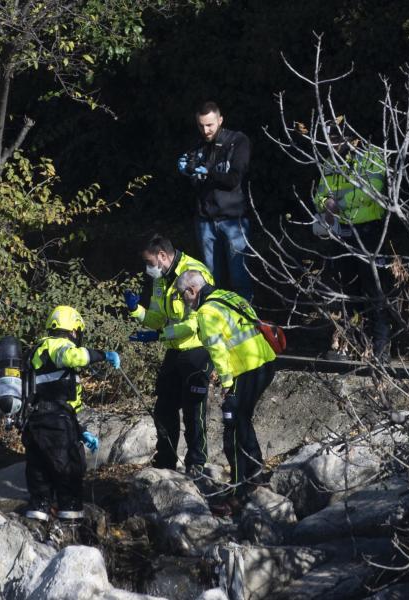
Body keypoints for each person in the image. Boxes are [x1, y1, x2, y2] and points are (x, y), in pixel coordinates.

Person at [175, 270, 276, 513]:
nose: (183, 301)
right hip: (266, 362)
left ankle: (238, 493)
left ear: (192, 291)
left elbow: (218, 351)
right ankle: (255, 473)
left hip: (246, 369)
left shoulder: (206, 313)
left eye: (182, 295)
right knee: (243, 420)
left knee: (232, 429)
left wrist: (227, 384)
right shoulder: (229, 296)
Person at [125, 234, 214, 474]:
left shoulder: (194, 274)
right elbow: (157, 319)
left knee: (194, 410)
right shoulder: (160, 280)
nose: (148, 268)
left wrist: (160, 335)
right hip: (174, 349)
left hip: (197, 348)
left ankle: (196, 463)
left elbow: (197, 323)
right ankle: (166, 459)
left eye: (150, 263)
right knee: (164, 407)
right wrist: (136, 311)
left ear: (163, 256)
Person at [22, 305, 120, 521]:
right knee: (69, 475)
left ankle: (36, 528)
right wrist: (103, 355)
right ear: (74, 330)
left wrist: (80, 431)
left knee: (40, 481)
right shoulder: (59, 346)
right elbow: (73, 357)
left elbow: (53, 396)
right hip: (55, 424)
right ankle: (71, 527)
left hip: (37, 423)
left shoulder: (38, 349)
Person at [312, 124, 389, 359]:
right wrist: (326, 204)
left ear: (350, 137)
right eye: (329, 141)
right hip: (342, 232)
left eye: (336, 139)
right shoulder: (330, 162)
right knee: (347, 291)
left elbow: (371, 191)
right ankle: (352, 346)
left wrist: (338, 204)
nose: (332, 145)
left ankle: (380, 349)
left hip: (368, 232)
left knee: (375, 291)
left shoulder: (372, 157)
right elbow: (319, 195)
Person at [178, 101, 253, 301]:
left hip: (233, 220)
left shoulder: (237, 141)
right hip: (206, 221)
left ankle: (245, 323)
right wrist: (189, 171)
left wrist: (208, 172)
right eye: (201, 125)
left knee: (240, 279)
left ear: (220, 120)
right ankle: (217, 321)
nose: (206, 130)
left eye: (210, 125)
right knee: (211, 280)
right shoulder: (198, 147)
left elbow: (234, 178)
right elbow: (196, 184)